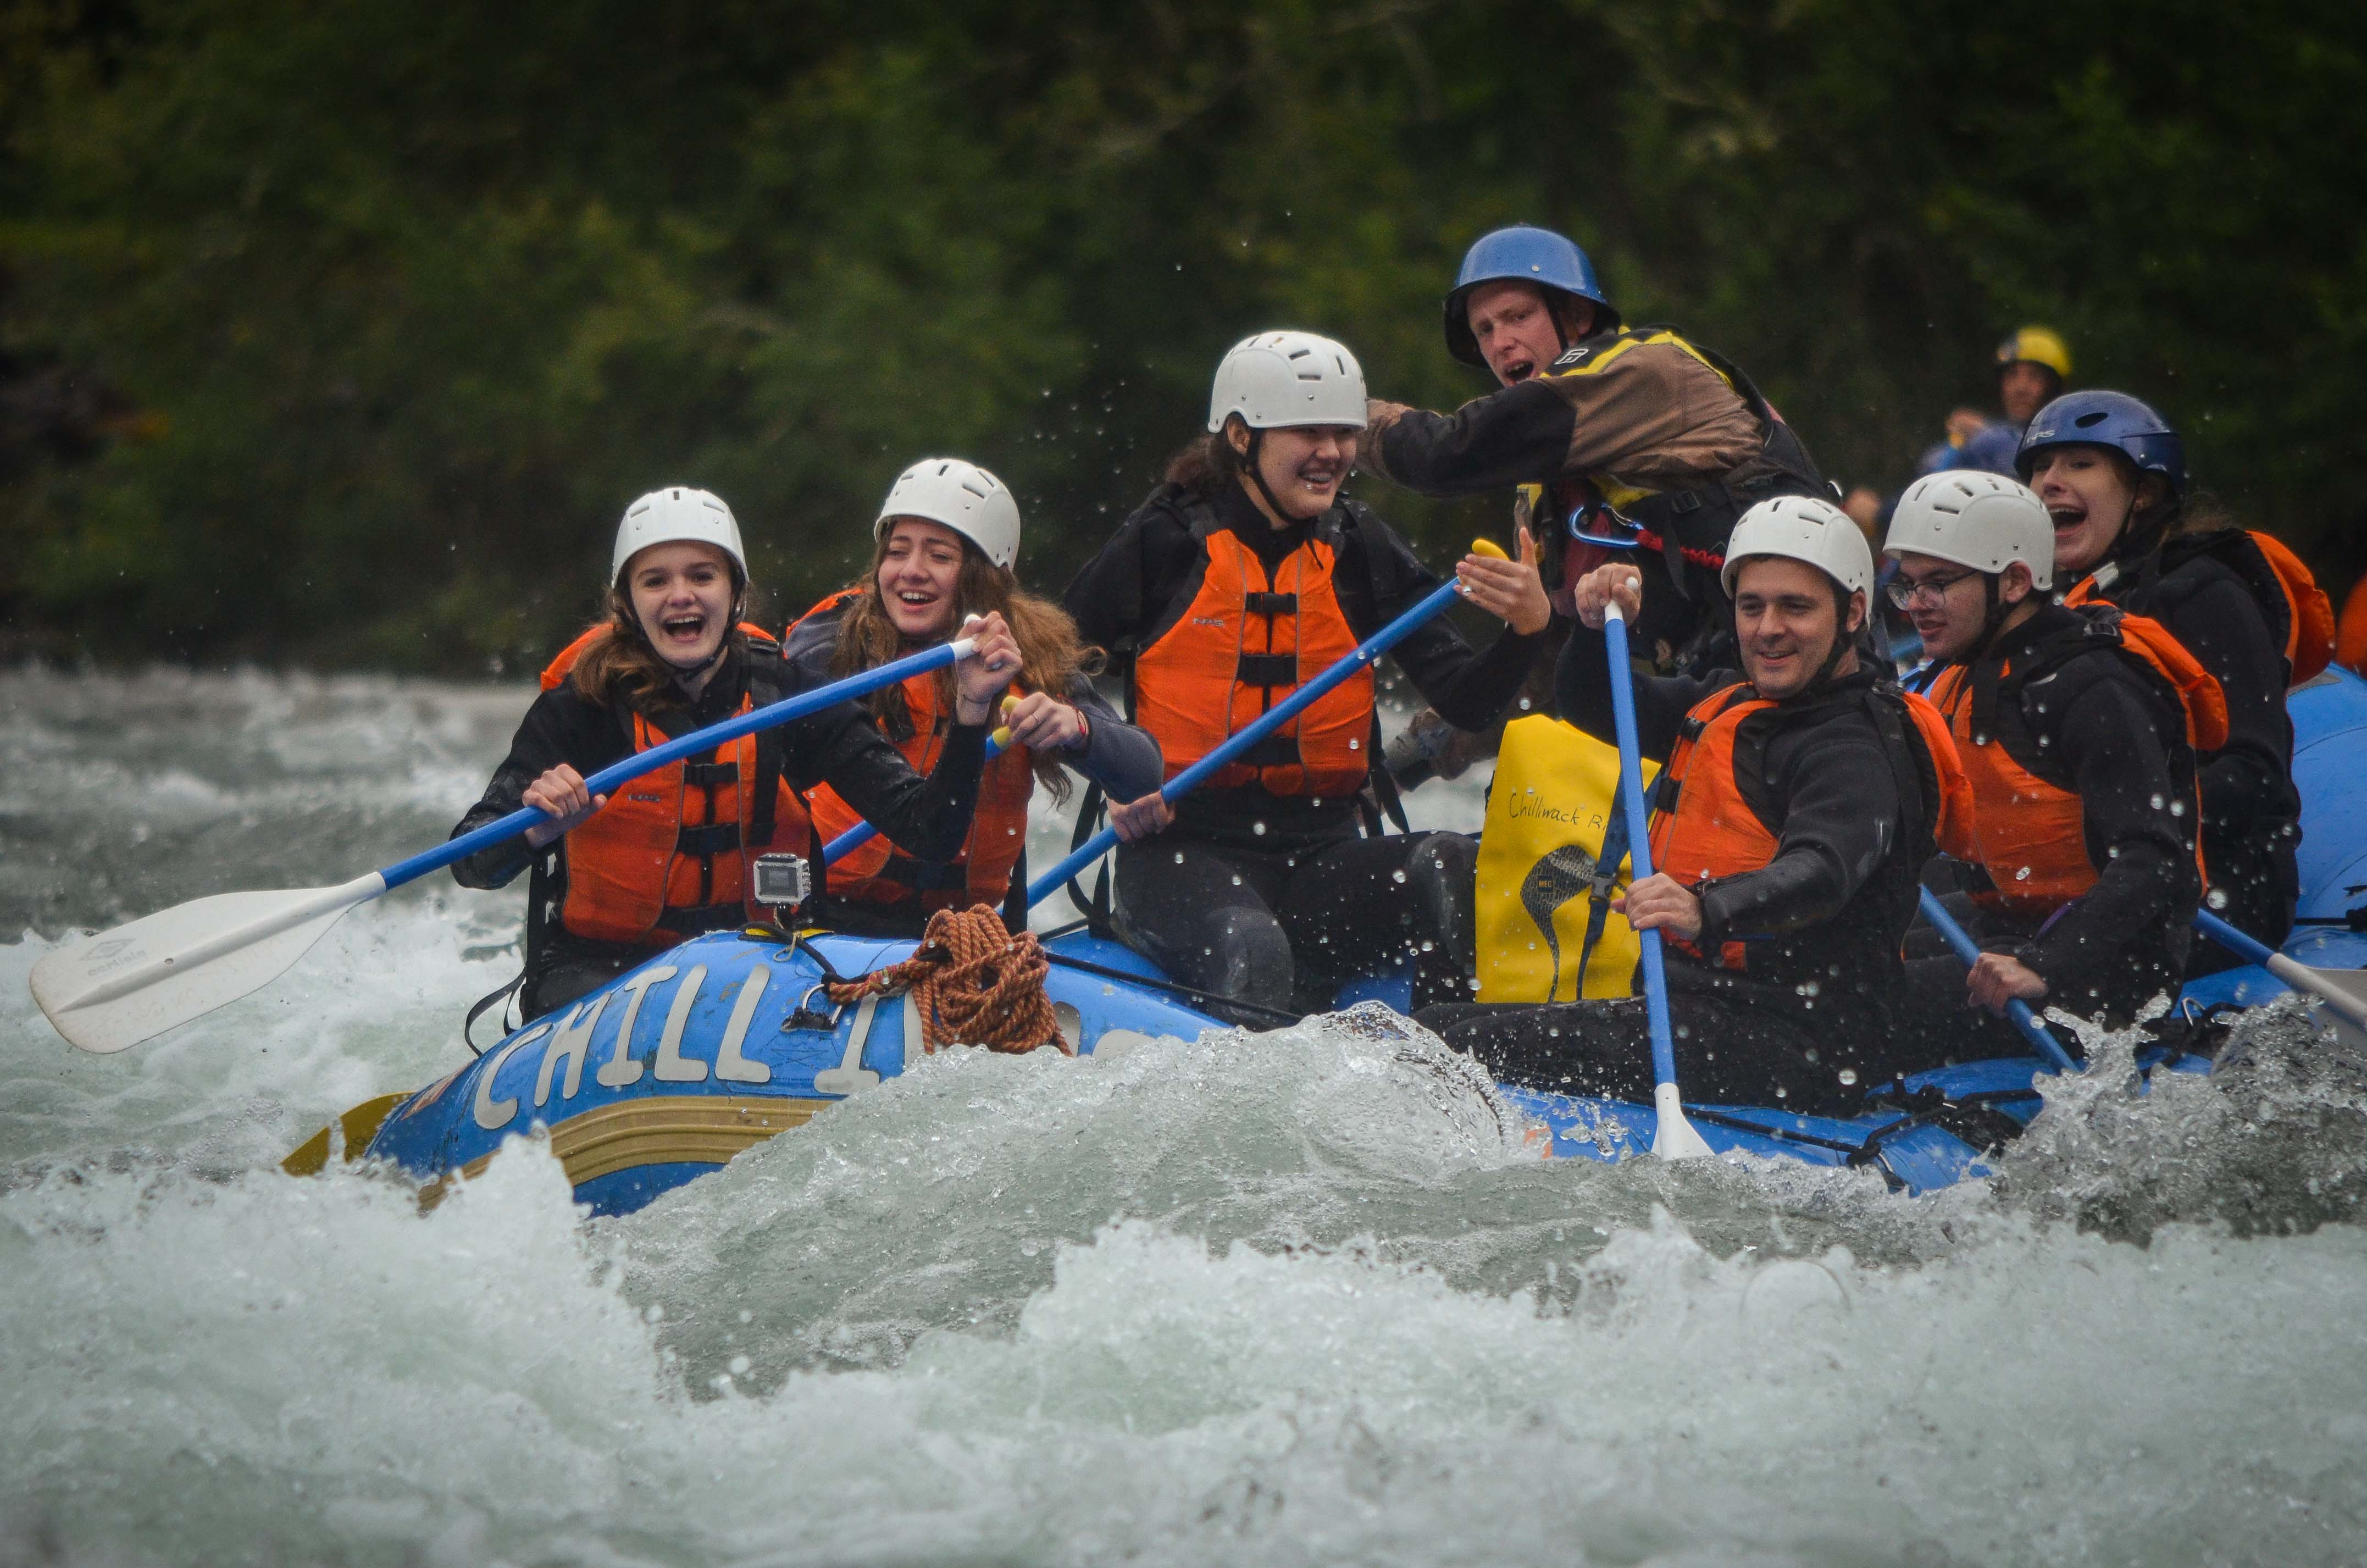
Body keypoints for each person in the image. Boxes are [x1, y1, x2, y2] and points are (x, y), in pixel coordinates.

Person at [1417, 498, 1974, 1116]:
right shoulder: (1728, 704)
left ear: (1853, 614)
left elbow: (1822, 869)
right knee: (1438, 1017)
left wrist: (1704, 908)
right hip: (1702, 1007)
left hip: (1802, 1042)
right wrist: (1592, 625)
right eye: (1751, 606)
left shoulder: (1854, 744)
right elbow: (1592, 703)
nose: (1767, 628)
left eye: (1795, 607)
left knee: (1442, 1042)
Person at [1062, 330, 1554, 1018]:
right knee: (1256, 950)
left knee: (1453, 869)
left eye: (1343, 433)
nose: (1332, 453)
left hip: (1319, 853)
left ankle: (1460, 1070)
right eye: (1307, 432)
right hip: (1179, 853)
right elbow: (1053, 667)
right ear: (1240, 436)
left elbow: (1465, 702)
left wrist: (1527, 630)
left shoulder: (1359, 546)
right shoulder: (1166, 538)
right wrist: (1117, 765)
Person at [449, 486, 1020, 1021]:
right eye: (655, 581)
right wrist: (534, 830)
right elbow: (470, 861)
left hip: (761, 967)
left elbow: (930, 831)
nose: (680, 596)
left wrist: (971, 715)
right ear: (626, 603)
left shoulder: (789, 700)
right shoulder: (582, 708)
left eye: (702, 576)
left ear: (735, 594)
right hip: (599, 974)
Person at [1362, 224, 1827, 684]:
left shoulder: (1642, 370)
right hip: (1717, 687)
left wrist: (1337, 413)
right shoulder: (1542, 479)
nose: (1499, 343)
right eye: (1484, 329)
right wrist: (1438, 742)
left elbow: (1444, 456)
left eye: (1518, 316)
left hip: (1809, 670)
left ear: (1578, 317)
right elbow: (1554, 655)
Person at [1883, 472, 2214, 1050]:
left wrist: (2047, 963)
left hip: (2107, 972)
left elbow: (2155, 861)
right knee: (1856, 956)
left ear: (2013, 582)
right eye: (1907, 586)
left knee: (1863, 1005)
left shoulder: (2093, 688)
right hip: (2013, 924)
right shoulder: (1966, 674)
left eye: (1936, 584)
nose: (1916, 606)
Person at [786, 457, 1162, 935]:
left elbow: (1143, 770)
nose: (911, 572)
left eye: (939, 556)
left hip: (964, 932)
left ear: (984, 574)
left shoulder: (1031, 655)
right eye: (897, 552)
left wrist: (1075, 728)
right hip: (832, 918)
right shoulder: (829, 642)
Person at [2019, 390, 2320, 963]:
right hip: (2105, 882)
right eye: (2039, 466)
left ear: (2145, 493)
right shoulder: (2058, 609)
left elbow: (2257, 778)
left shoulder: (2202, 593)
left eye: (2079, 464)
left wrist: (2116, 817)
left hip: (2219, 898)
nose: (2048, 482)